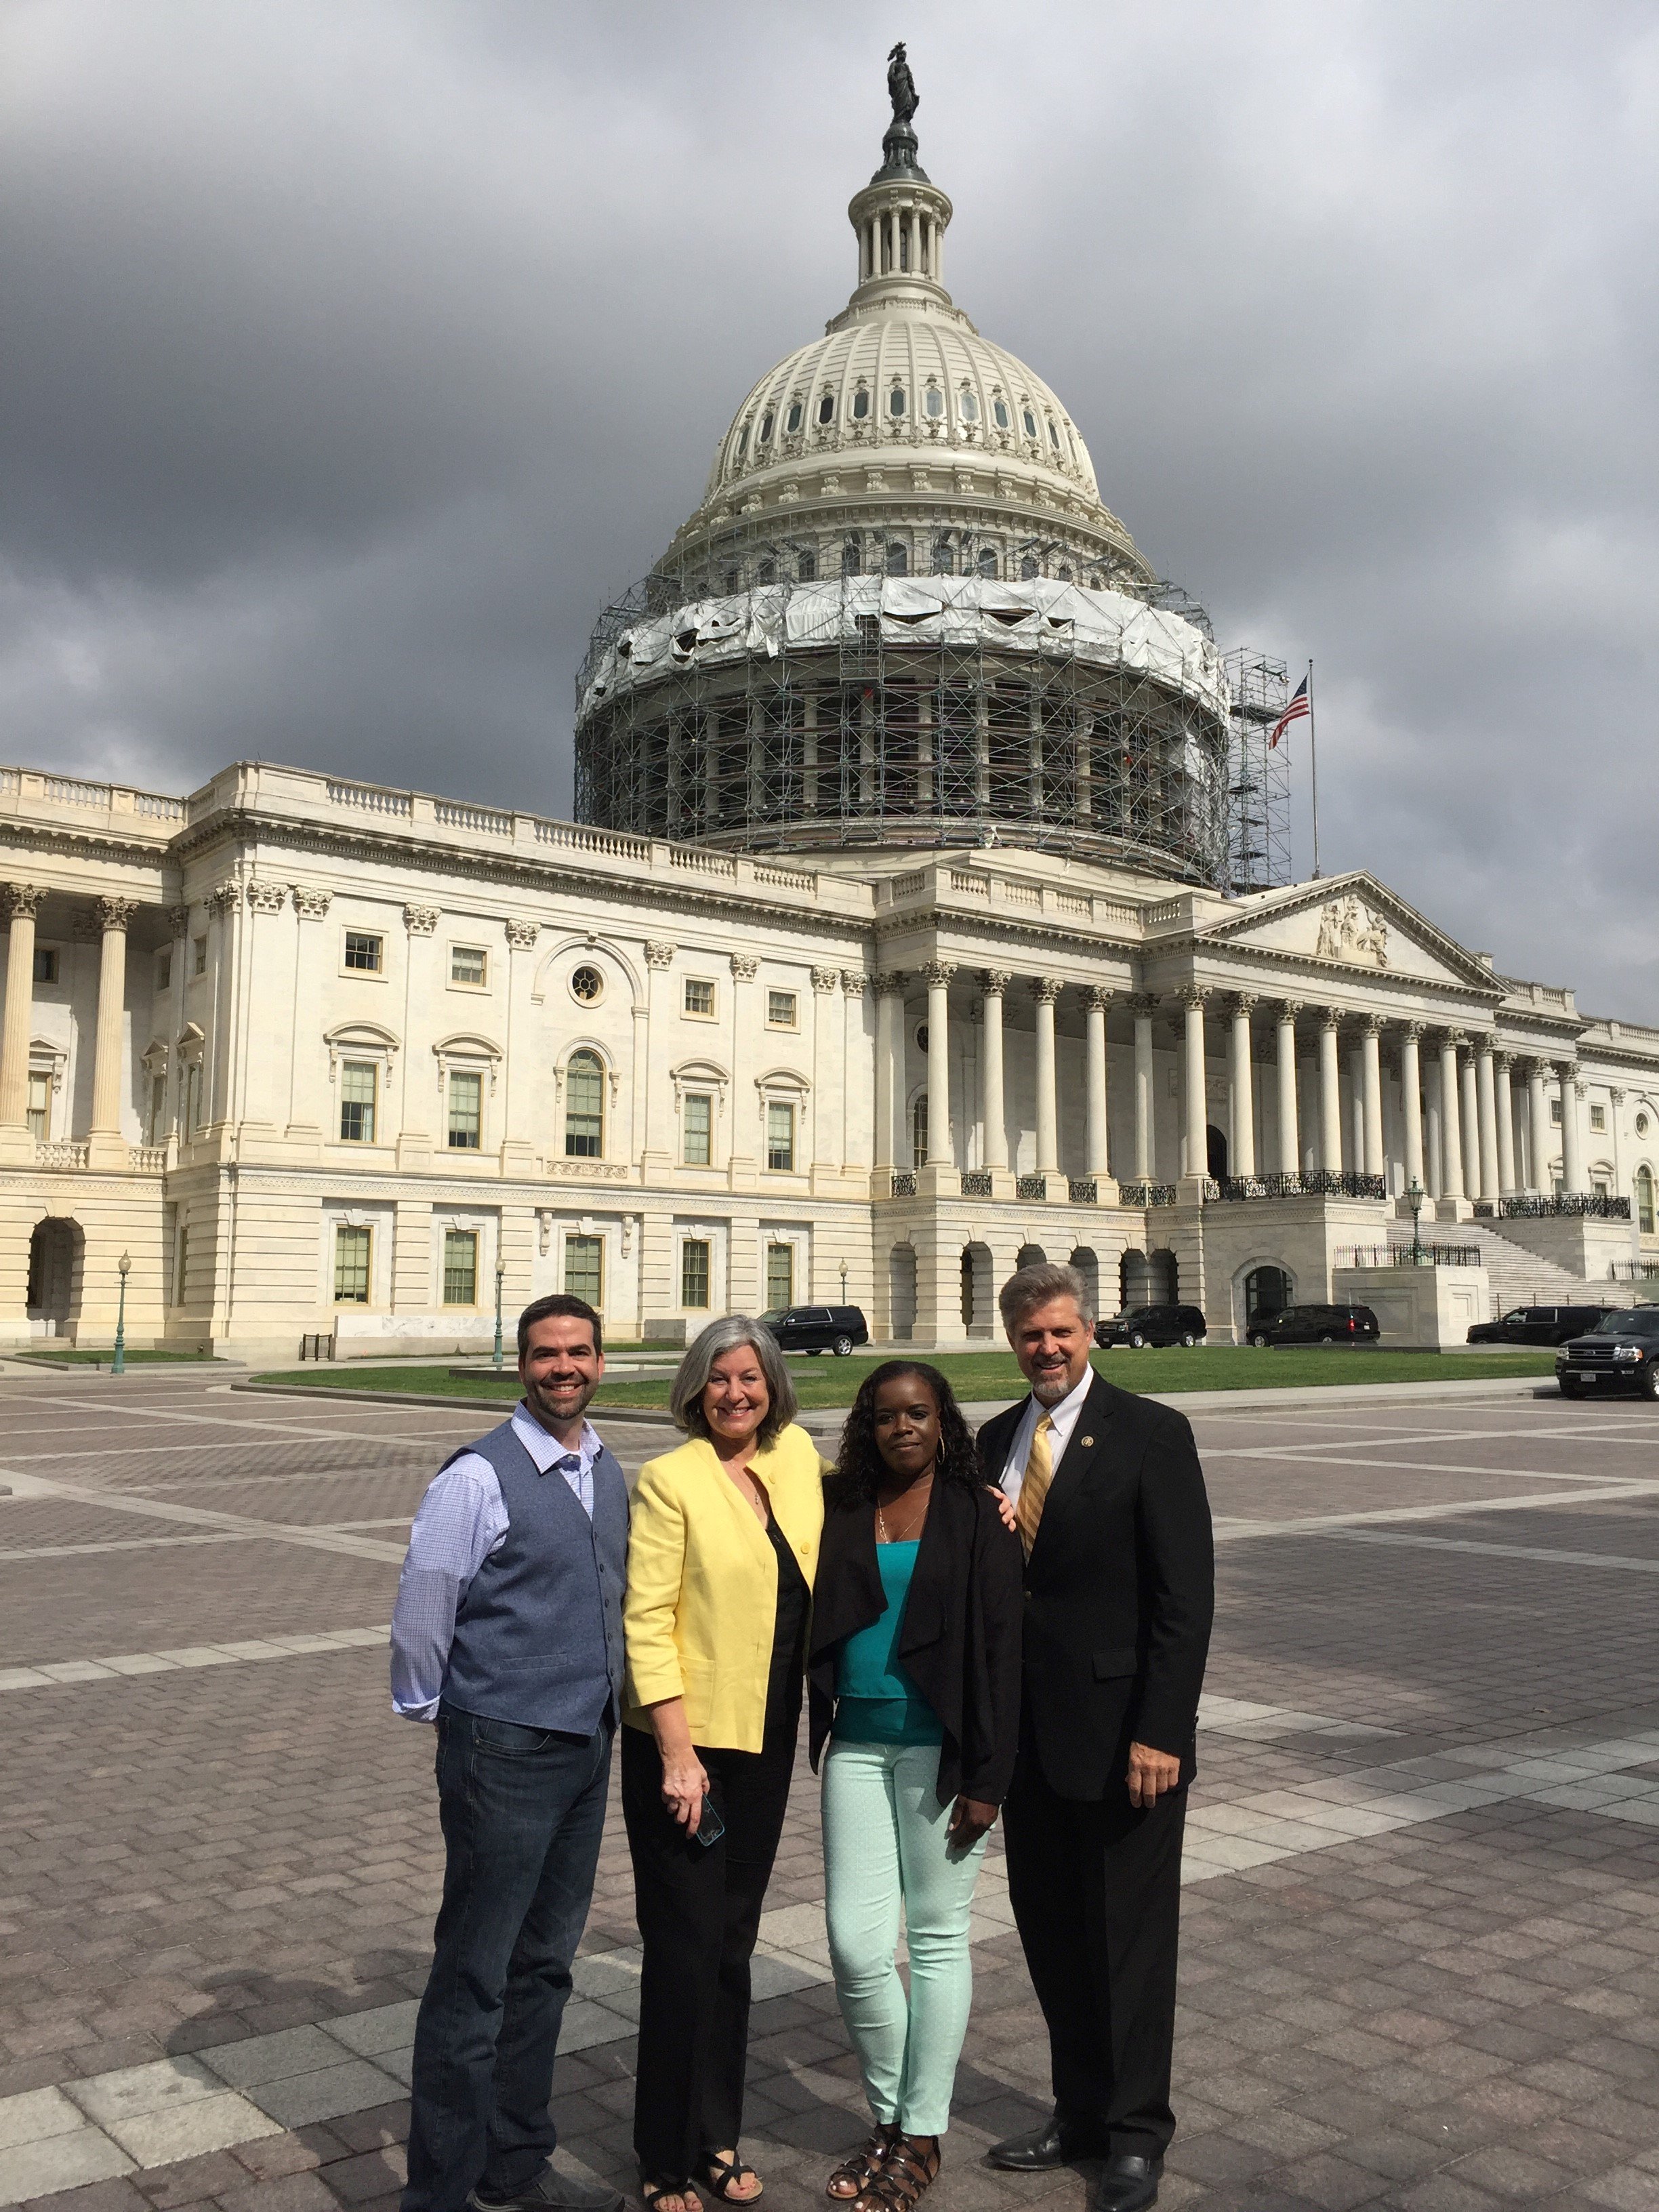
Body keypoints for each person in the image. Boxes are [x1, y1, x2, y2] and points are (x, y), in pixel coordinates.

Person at [976, 1265, 1213, 2212]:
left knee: (1130, 1943)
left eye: (1063, 1333)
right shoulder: (997, 1439)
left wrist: (1162, 1730)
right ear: (1013, 1340)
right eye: (1031, 1335)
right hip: (1028, 1740)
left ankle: (1135, 2135)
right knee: (1054, 1937)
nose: (1048, 1348)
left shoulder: (1153, 1433)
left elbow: (1184, 1601)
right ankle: (1076, 2111)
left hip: (1124, 1739)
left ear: (1091, 1333)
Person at [391, 1293, 629, 2212]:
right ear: (522, 1366)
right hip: (501, 1747)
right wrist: (444, 1712)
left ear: (601, 1363)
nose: (562, 1367)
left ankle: (514, 2159)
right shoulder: (477, 1478)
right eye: (543, 1354)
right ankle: (440, 2192)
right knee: (474, 1975)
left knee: (544, 1966)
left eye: (577, 1352)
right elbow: (426, 1607)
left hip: (583, 1744)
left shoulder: (607, 1470)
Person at [621, 1316, 827, 2212]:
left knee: (734, 1943)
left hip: (768, 1737)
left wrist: (989, 1504)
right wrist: (675, 1753)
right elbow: (645, 1620)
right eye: (718, 1380)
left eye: (748, 1378)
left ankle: (720, 2132)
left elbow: (889, 1503)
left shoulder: (797, 1462)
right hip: (687, 1748)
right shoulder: (670, 1480)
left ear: (773, 1385)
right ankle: (666, 2154)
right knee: (683, 1947)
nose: (735, 1394)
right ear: (694, 1390)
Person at [808, 1363, 1024, 2212]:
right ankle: (895, 2117)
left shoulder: (978, 1514)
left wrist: (989, 1776)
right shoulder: (840, 1505)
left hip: (944, 1754)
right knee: (858, 1949)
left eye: (919, 1414)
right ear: (868, 1425)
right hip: (856, 1747)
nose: (904, 1428)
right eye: (887, 1415)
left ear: (944, 1422)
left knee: (935, 1939)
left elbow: (1004, 1651)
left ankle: (919, 2135)